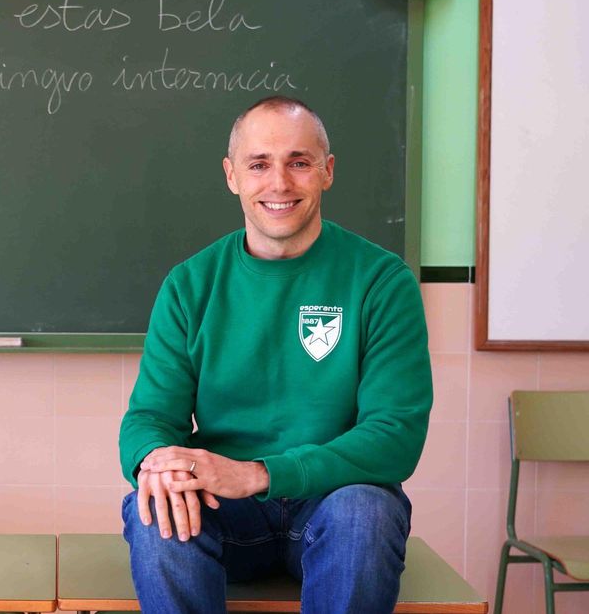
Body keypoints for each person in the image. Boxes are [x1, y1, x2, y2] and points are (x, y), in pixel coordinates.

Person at [118, 95, 432, 614]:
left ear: (327, 172)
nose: (280, 183)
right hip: (224, 511)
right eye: (259, 164)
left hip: (334, 506)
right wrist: (157, 462)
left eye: (299, 163)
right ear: (231, 175)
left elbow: (396, 437)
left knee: (366, 510)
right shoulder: (190, 285)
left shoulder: (381, 281)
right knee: (155, 505)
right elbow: (150, 417)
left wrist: (261, 474)